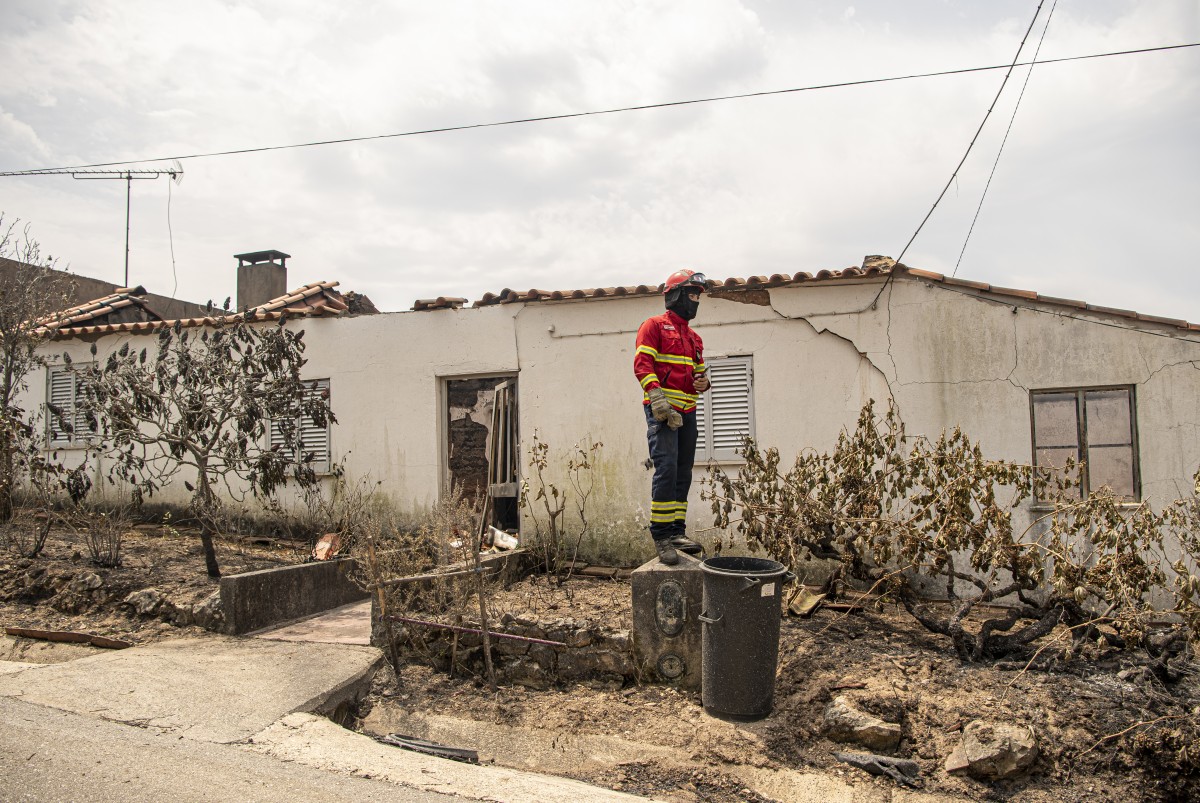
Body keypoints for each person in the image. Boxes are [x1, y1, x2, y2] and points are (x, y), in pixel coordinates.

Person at [633, 269, 711, 565]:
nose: (695, 301)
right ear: (675, 295)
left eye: (697, 297)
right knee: (665, 470)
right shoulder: (653, 326)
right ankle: (662, 535)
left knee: (682, 471)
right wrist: (657, 397)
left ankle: (678, 531)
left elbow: (699, 376)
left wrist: (703, 383)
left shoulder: (695, 338)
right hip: (663, 411)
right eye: (691, 294)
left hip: (687, 412)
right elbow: (643, 363)